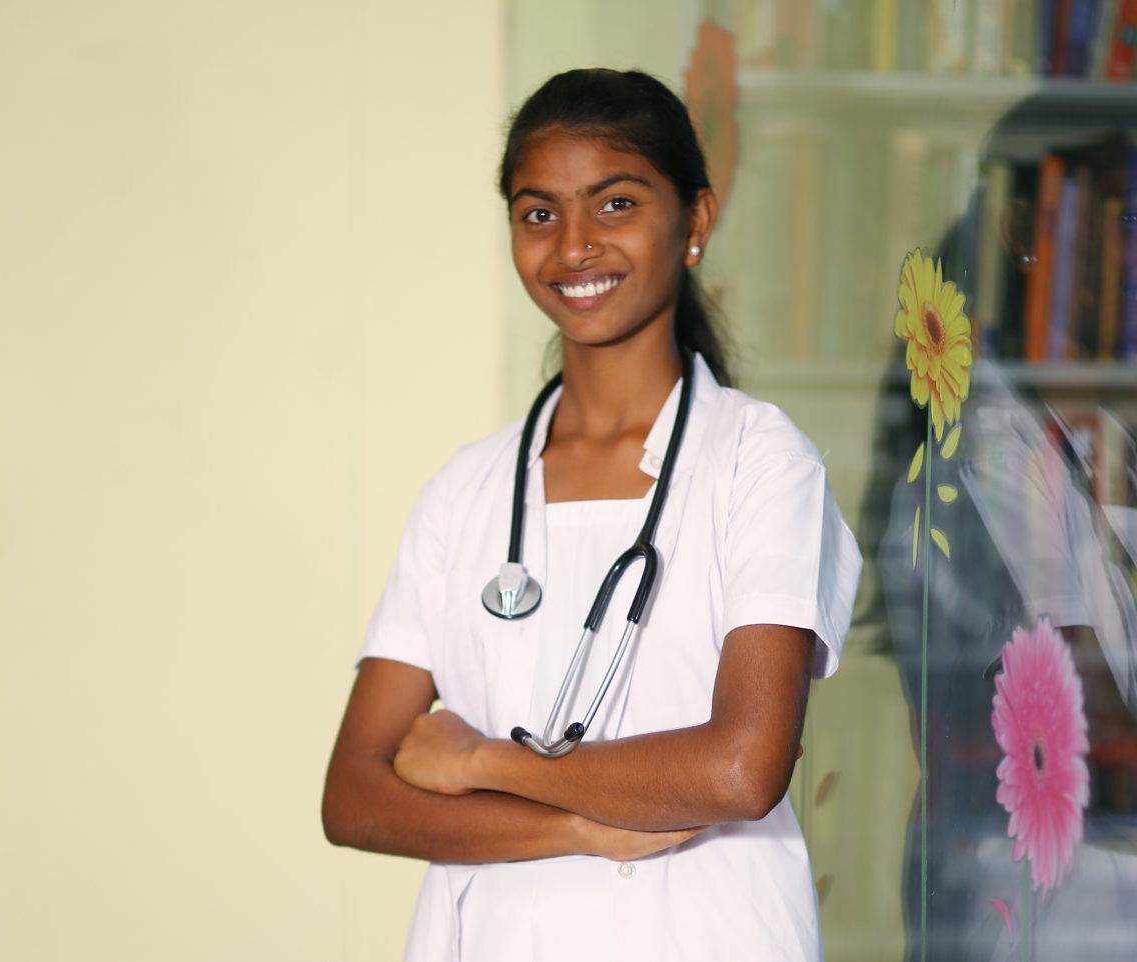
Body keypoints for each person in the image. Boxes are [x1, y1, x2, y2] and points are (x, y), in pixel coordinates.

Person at [321, 68, 862, 962]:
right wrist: (579, 824)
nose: (573, 247)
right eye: (538, 214)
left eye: (614, 205)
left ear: (694, 222)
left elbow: (740, 768)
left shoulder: (758, 463)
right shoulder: (469, 491)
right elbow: (354, 797)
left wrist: (483, 763)